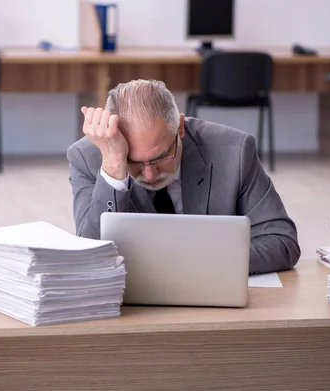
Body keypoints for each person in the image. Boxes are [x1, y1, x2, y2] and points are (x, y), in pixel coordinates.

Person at [66, 79, 300, 275]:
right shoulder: (88, 157)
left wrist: (194, 264)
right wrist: (114, 165)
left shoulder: (234, 150)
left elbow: (282, 242)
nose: (149, 174)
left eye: (160, 157)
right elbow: (90, 256)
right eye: (134, 161)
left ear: (179, 127)